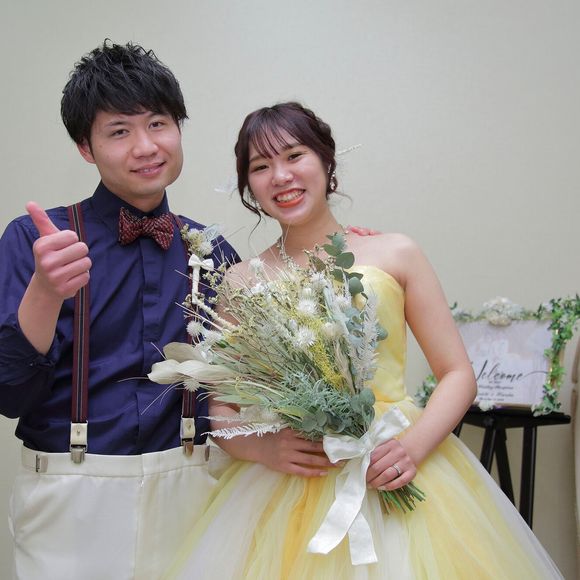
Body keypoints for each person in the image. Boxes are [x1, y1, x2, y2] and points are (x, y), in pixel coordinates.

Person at [165, 102, 563, 578]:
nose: (281, 176)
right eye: (261, 166)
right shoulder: (240, 282)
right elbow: (221, 408)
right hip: (288, 480)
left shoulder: (396, 253)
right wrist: (263, 448)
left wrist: (412, 447)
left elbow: (458, 374)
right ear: (248, 186)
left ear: (326, 161)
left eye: (294, 156)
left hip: (395, 457)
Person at [0, 41, 239, 579]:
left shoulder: (213, 250)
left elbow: (240, 384)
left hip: (196, 486)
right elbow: (8, 396)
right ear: (85, 147)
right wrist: (45, 291)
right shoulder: (36, 241)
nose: (145, 146)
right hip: (70, 493)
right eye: (119, 131)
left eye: (158, 124)